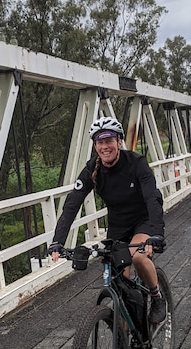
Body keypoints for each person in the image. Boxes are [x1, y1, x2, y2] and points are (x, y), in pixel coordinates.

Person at [48, 117, 167, 324]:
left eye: (109, 140)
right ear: (95, 146)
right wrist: (58, 241)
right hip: (118, 227)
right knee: (120, 283)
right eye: (100, 142)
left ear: (119, 142)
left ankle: (157, 297)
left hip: (143, 220)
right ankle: (126, 337)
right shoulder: (91, 170)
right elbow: (71, 205)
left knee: (138, 258)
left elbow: (152, 198)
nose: (105, 146)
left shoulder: (136, 163)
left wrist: (157, 233)